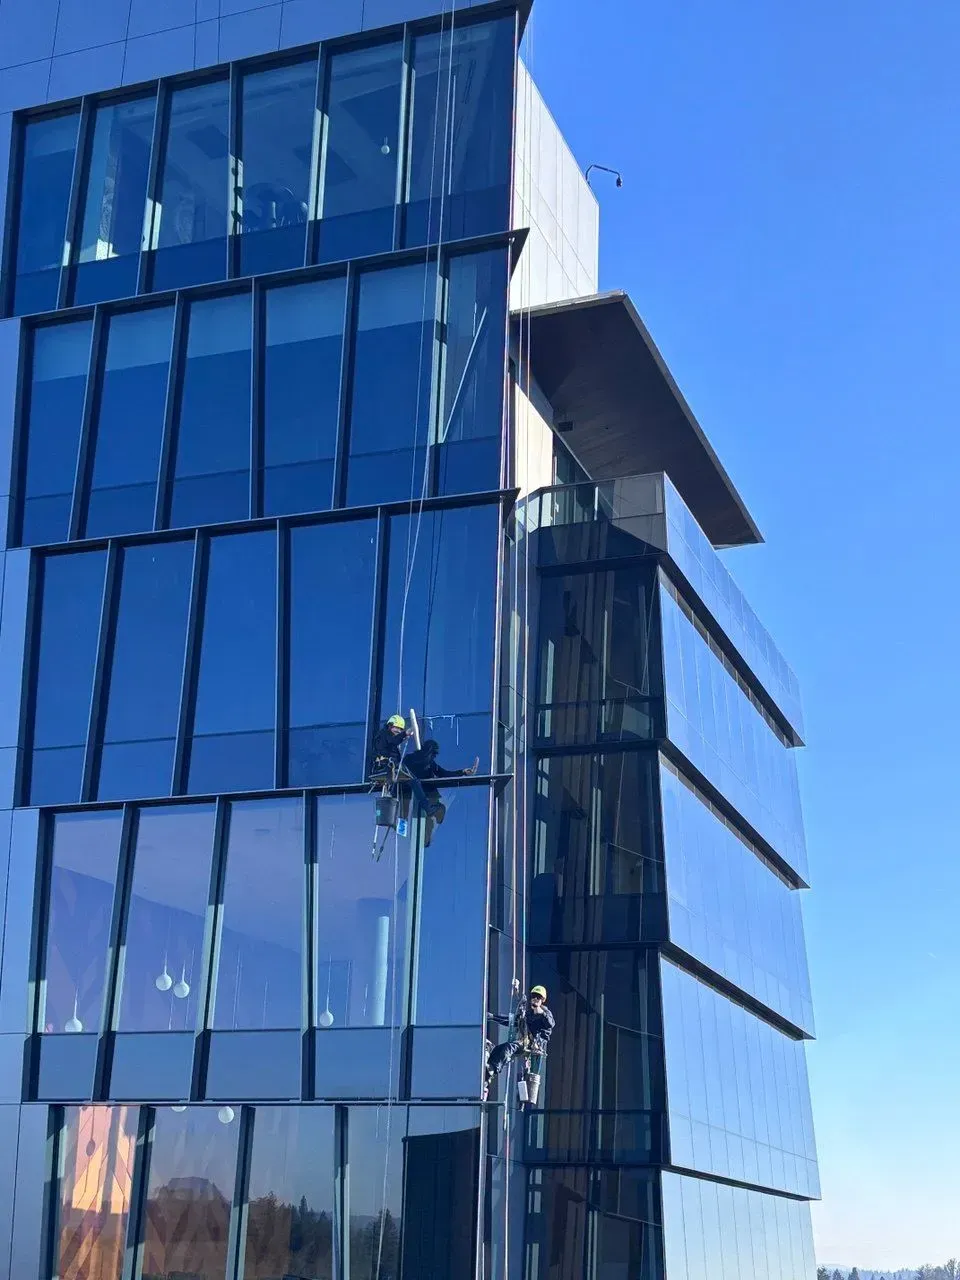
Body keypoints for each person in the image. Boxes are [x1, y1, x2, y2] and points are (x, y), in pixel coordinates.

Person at [483, 984, 555, 1104]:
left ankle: (492, 1068)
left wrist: (540, 1011)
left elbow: (550, 1024)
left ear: (543, 1000)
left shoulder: (546, 1014)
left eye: (538, 997)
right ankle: (489, 1071)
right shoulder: (527, 1015)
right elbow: (512, 1021)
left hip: (534, 1044)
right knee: (501, 1049)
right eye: (534, 996)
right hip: (525, 1041)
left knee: (509, 1048)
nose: (535, 999)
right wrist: (493, 1017)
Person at [370, 716, 439, 817]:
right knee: (414, 782)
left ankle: (395, 817)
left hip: (390, 767)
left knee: (406, 784)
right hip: (388, 766)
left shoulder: (386, 737)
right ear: (390, 726)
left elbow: (393, 742)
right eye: (396, 728)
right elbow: (393, 740)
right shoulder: (383, 734)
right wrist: (405, 733)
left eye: (400, 729)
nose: (398, 730)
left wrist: (403, 736)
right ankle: (427, 807)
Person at [404, 739, 480, 821]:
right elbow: (402, 773)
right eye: (433, 754)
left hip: (428, 795)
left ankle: (432, 811)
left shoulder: (431, 764)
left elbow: (444, 774)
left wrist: (463, 772)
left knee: (434, 816)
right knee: (404, 814)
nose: (434, 757)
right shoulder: (409, 759)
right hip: (408, 793)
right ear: (428, 751)